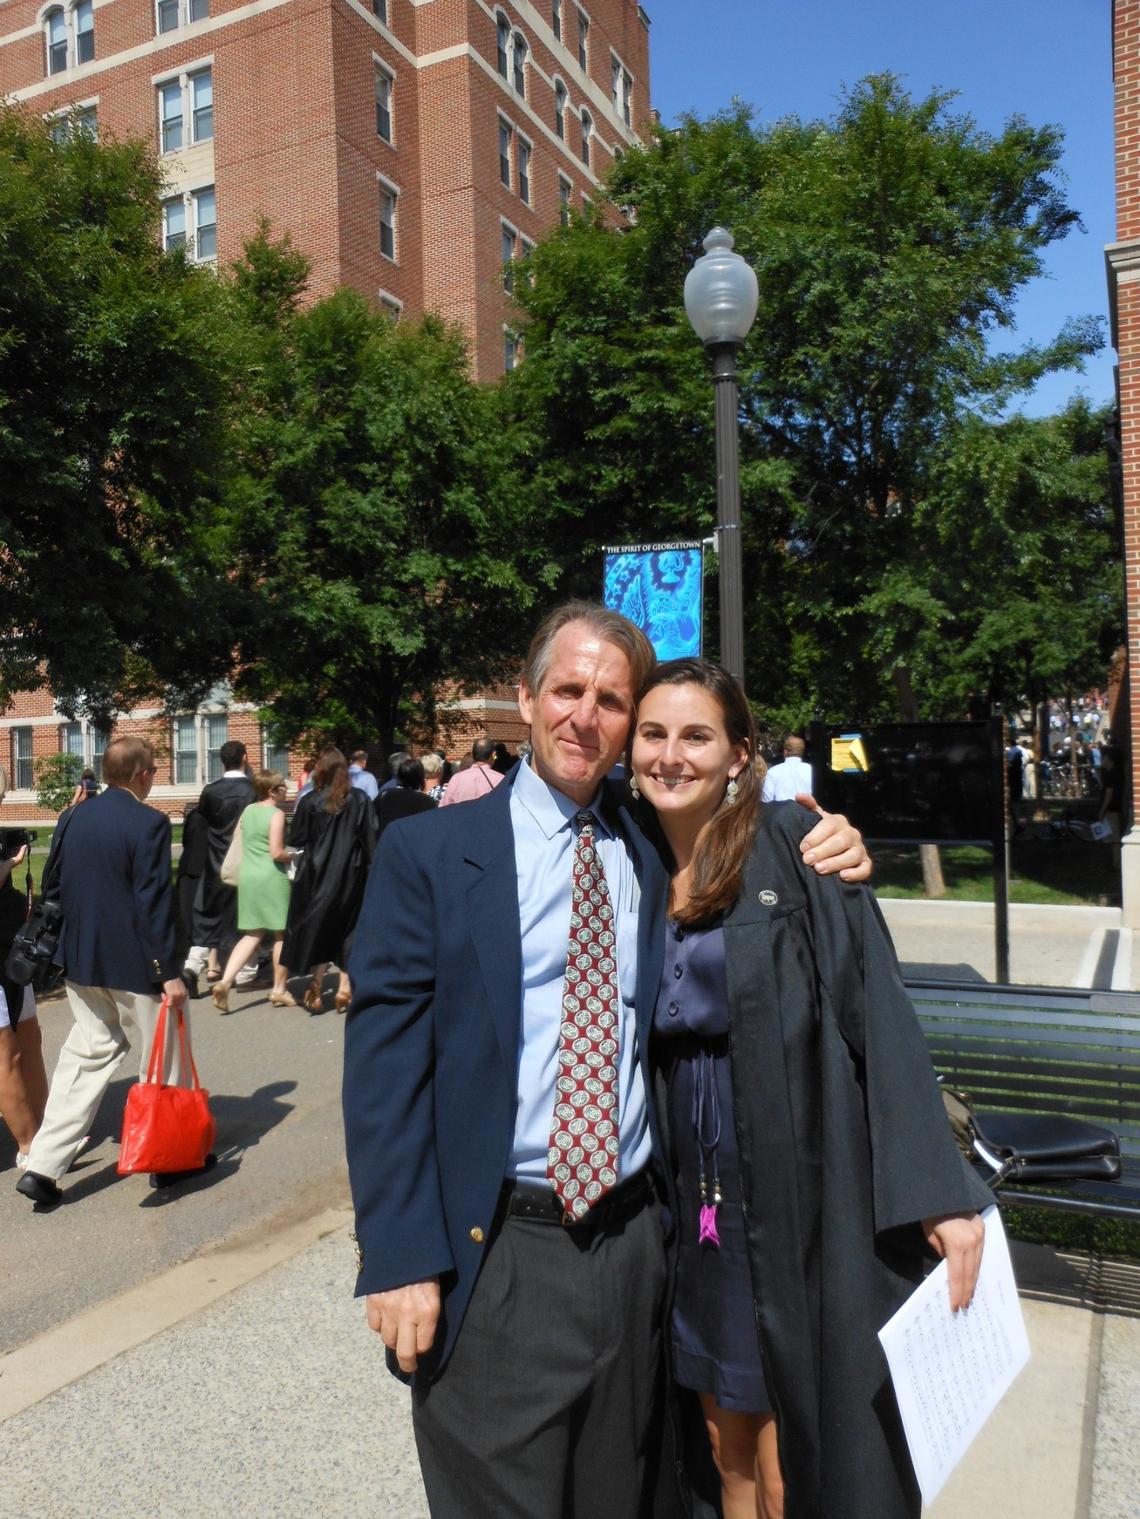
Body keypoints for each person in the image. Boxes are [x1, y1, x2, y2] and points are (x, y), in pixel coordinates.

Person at [343, 601, 871, 1519]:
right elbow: (384, 1059)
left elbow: (747, 823)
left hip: (640, 1248)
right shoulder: (429, 850)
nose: (586, 716)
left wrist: (834, 835)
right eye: (568, 689)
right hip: (500, 1251)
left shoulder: (652, 838)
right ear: (526, 697)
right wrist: (396, 1253)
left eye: (612, 699)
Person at [629, 659, 989, 1519]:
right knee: (724, 1442)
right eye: (653, 733)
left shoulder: (792, 843)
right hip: (692, 1208)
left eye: (696, 735)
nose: (671, 755)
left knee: (799, 1454)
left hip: (795, 1197)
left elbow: (877, 1010)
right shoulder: (627, 858)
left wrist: (941, 1193)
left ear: (739, 751)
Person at [15, 737, 206, 1206]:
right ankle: (170, 1157)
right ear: (141, 774)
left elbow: (55, 885)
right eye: (154, 771)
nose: (155, 777)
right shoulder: (149, 823)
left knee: (87, 1052)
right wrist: (168, 971)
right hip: (136, 962)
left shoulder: (75, 815)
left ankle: (43, 1163)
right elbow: (154, 903)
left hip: (80, 959)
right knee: (163, 1055)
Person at [284, 747, 378, 1015]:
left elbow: (298, 838)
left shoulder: (311, 801)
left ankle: (316, 983)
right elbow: (371, 839)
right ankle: (344, 987)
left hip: (317, 875)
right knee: (350, 930)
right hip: (352, 873)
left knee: (320, 929)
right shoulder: (359, 799)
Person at [211, 771, 296, 1012]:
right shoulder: (276, 814)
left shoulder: (248, 811)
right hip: (271, 877)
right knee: (281, 934)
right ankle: (279, 989)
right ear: (271, 790)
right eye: (282, 786)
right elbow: (277, 852)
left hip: (249, 876)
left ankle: (226, 982)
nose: (285, 790)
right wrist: (296, 855)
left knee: (252, 934)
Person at [0, 766, 48, 1172]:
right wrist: (7, 866)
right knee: (6, 1055)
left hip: (10, 952)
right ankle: (29, 1146)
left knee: (30, 1039)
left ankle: (49, 1129)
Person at [193, 740, 255, 983]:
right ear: (245, 757)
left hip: (216, 856)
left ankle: (208, 963)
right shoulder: (252, 790)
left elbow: (205, 818)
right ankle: (245, 969)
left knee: (212, 913)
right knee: (244, 915)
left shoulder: (211, 791)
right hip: (245, 856)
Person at [375, 756, 437, 840]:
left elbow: (373, 822)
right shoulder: (428, 802)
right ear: (421, 777)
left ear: (399, 775)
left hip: (386, 843)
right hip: (412, 847)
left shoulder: (385, 795)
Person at [436, 736, 503, 806]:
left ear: (472, 754)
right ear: (493, 754)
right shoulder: (501, 780)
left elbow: (444, 807)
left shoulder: (456, 779)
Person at [759, 734, 812, 802]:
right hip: (807, 811)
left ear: (785, 752)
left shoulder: (773, 771)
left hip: (780, 811)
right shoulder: (812, 771)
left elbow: (766, 800)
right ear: (802, 752)